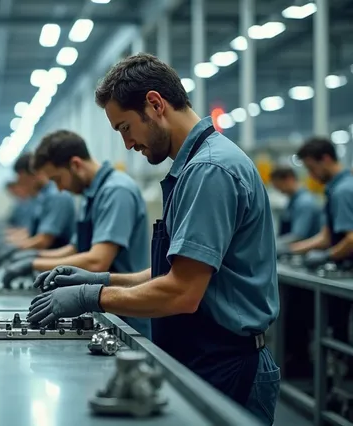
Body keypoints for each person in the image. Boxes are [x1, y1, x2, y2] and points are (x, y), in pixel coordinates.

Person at [26, 53, 280, 424]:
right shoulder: (193, 168)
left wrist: (90, 297)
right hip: (205, 358)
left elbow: (182, 292)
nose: (127, 144)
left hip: (228, 367)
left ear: (155, 104)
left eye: (125, 128)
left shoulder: (209, 170)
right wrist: (103, 279)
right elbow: (178, 273)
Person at [1, 130, 151, 338]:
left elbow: (97, 261)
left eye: (58, 179)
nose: (60, 189)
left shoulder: (116, 191)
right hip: (103, 307)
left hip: (126, 314)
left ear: (76, 165)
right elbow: (74, 248)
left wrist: (34, 263)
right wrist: (34, 258)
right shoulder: (91, 195)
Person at [288, 137, 353, 266]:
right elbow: (326, 237)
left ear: (326, 159)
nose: (311, 175)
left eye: (312, 168)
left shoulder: (343, 191)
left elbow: (351, 239)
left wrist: (327, 256)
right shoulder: (334, 189)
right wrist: (291, 249)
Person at [2, 152, 76, 255]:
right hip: (48, 259)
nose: (23, 186)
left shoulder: (56, 195)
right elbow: (31, 233)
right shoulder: (42, 197)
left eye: (25, 181)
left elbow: (43, 241)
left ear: (36, 174)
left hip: (58, 262)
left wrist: (16, 250)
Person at [270, 165, 322, 246]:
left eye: (279, 186)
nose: (279, 190)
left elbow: (298, 236)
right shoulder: (292, 201)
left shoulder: (304, 203)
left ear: (289, 179)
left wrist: (273, 244)